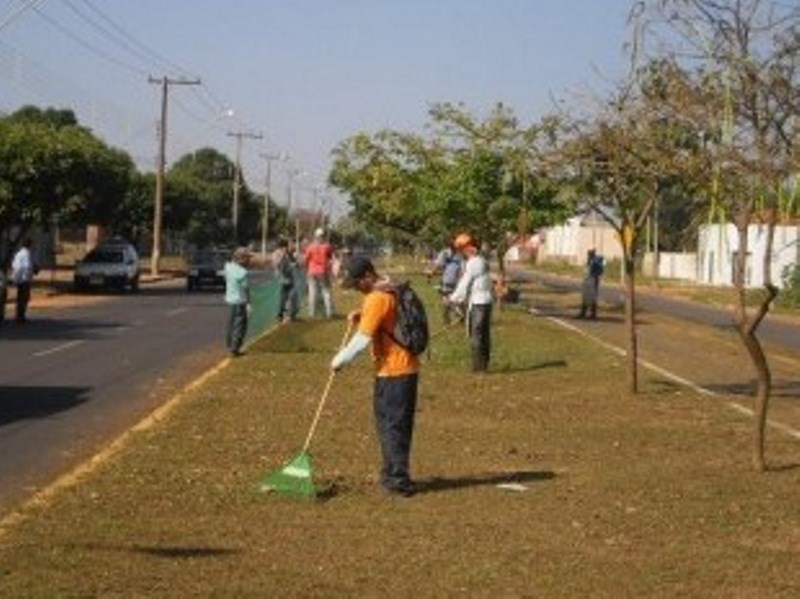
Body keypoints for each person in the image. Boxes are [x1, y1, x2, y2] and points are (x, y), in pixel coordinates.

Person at [330, 256, 420, 498]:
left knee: (394, 426)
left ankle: (399, 480)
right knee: (389, 424)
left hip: (396, 371)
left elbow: (362, 340)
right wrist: (361, 315)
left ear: (369, 276)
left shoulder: (377, 298)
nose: (357, 288)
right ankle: (391, 472)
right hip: (393, 370)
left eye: (358, 283)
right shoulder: (386, 292)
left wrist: (340, 360)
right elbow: (384, 320)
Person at [448, 233, 494, 373]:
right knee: (483, 335)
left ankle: (479, 367)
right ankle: (483, 365)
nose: (460, 252)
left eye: (461, 249)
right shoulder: (481, 260)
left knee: (477, 335)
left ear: (468, 248)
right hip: (486, 302)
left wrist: (452, 299)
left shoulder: (474, 262)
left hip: (479, 303)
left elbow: (464, 283)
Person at [224, 247, 251, 356]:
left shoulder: (228, 267)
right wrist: (249, 302)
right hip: (240, 301)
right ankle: (235, 348)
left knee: (231, 324)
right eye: (247, 258)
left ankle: (230, 345)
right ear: (242, 259)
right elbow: (246, 288)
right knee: (240, 325)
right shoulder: (242, 272)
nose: (249, 261)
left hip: (230, 300)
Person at [429, 243, 463, 324]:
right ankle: (449, 318)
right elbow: (438, 264)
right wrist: (431, 273)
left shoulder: (460, 254)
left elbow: (462, 267)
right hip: (448, 279)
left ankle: (457, 316)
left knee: (452, 300)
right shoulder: (444, 253)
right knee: (447, 299)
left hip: (456, 280)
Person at [304, 228, 334, 319]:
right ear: (323, 236)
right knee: (326, 291)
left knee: (312, 292)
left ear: (315, 236)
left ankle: (311, 314)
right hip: (323, 271)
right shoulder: (327, 246)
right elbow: (330, 257)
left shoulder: (310, 246)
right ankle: (329, 313)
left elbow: (306, 259)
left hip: (311, 272)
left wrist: (307, 268)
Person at [11, 238, 36, 323]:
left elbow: (15, 266)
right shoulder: (26, 254)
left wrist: (16, 278)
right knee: (24, 298)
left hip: (20, 279)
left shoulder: (19, 253)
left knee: (21, 298)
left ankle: (20, 316)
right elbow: (26, 267)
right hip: (24, 279)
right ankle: (20, 317)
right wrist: (31, 272)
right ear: (29, 245)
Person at [274, 238, 299, 322]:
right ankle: (282, 315)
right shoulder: (278, 253)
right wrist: (283, 256)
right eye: (289, 244)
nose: (291, 246)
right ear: (284, 246)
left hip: (289, 278)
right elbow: (277, 265)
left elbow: (294, 264)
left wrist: (294, 262)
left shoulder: (289, 254)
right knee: (285, 298)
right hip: (284, 279)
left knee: (288, 297)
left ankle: (287, 315)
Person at [579, 249, 605, 319]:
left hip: (593, 279)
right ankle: (583, 312)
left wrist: (594, 275)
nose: (589, 255)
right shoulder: (589, 260)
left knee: (592, 297)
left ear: (593, 253)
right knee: (585, 296)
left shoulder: (596, 261)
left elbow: (600, 271)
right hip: (587, 279)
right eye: (588, 253)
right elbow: (586, 269)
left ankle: (593, 314)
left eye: (590, 253)